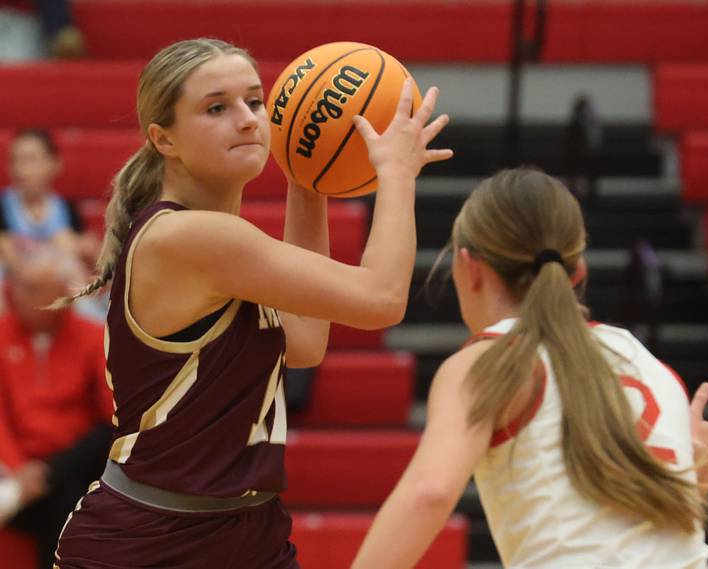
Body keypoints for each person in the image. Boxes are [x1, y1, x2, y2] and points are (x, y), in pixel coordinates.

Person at [52, 37, 451, 569]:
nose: (246, 119)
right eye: (216, 107)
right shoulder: (192, 238)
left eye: (255, 102)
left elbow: (305, 343)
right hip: (148, 542)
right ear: (162, 138)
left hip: (249, 535)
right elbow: (380, 299)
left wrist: (307, 180)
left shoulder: (223, 242)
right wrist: (397, 176)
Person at [351, 168, 708, 569]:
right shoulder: (645, 361)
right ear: (578, 272)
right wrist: (694, 466)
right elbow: (653, 538)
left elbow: (430, 493)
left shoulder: (487, 360)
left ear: (469, 268)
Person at [0, 246, 112, 569]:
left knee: (68, 498)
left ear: (61, 297)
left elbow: (111, 418)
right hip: (17, 467)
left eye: (32, 289)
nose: (16, 294)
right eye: (18, 285)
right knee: (62, 504)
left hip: (71, 466)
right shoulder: (3, 333)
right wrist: (19, 471)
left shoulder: (92, 338)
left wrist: (44, 475)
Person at [1, 129, 98, 272]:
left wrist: (85, 248)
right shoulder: (3, 207)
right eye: (15, 160)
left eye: (30, 160)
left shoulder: (66, 208)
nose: (21, 170)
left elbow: (89, 254)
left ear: (54, 163)